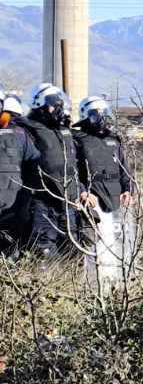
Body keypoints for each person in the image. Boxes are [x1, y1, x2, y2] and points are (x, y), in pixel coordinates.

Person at [17, 84, 83, 255]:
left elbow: (72, 167)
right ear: (39, 104)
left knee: (73, 251)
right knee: (43, 252)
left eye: (60, 103)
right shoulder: (27, 129)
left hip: (69, 204)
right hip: (41, 203)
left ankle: (69, 282)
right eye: (54, 103)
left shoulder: (63, 132)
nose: (59, 108)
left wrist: (82, 190)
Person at [74, 96, 134, 220]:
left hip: (118, 202)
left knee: (120, 239)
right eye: (96, 115)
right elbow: (71, 171)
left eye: (104, 114)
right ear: (86, 116)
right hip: (91, 201)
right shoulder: (77, 140)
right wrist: (82, 191)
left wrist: (128, 190)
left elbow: (124, 170)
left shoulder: (113, 139)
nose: (101, 119)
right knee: (92, 238)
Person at [0, 92, 39, 256]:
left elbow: (35, 164)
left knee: (9, 253)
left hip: (11, 209)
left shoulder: (19, 134)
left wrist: (28, 200)